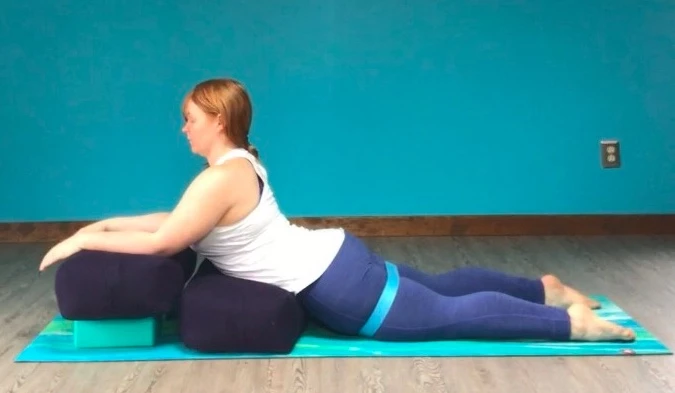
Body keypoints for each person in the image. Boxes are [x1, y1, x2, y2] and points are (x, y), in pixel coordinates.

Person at [39, 78, 636, 343]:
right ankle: (545, 288)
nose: (183, 128)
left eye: (189, 119)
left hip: (336, 288)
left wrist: (80, 245)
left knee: (447, 317)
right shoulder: (237, 165)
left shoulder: (217, 180)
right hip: (338, 256)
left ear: (217, 121)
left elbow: (166, 242)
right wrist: (102, 225)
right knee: (440, 285)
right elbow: (171, 221)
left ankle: (572, 324)